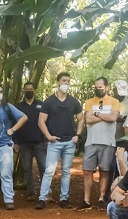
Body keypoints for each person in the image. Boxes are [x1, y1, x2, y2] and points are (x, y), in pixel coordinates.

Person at [36, 72, 83, 210]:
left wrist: (78, 135)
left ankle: (64, 198)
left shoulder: (74, 101)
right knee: (49, 171)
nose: (66, 83)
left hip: (70, 142)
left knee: (66, 171)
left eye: (68, 81)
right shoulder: (49, 101)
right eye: (64, 81)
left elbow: (81, 119)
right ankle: (42, 198)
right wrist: (48, 136)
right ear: (57, 82)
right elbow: (41, 121)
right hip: (54, 142)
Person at [77, 77, 120, 211]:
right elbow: (88, 119)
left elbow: (114, 118)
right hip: (91, 141)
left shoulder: (114, 101)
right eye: (96, 87)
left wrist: (96, 114)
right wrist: (104, 116)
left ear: (106, 87)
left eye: (100, 87)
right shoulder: (89, 102)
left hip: (108, 142)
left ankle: (102, 198)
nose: (98, 89)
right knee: (87, 171)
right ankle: (86, 200)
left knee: (105, 171)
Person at [14, 81, 47, 200]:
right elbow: (14, 124)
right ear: (24, 91)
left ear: (35, 90)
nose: (29, 91)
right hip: (23, 142)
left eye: (31, 89)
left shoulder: (41, 105)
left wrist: (46, 138)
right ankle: (30, 192)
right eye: (26, 89)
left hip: (39, 141)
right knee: (27, 168)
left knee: (43, 166)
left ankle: (45, 192)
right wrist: (15, 142)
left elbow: (46, 122)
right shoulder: (19, 107)